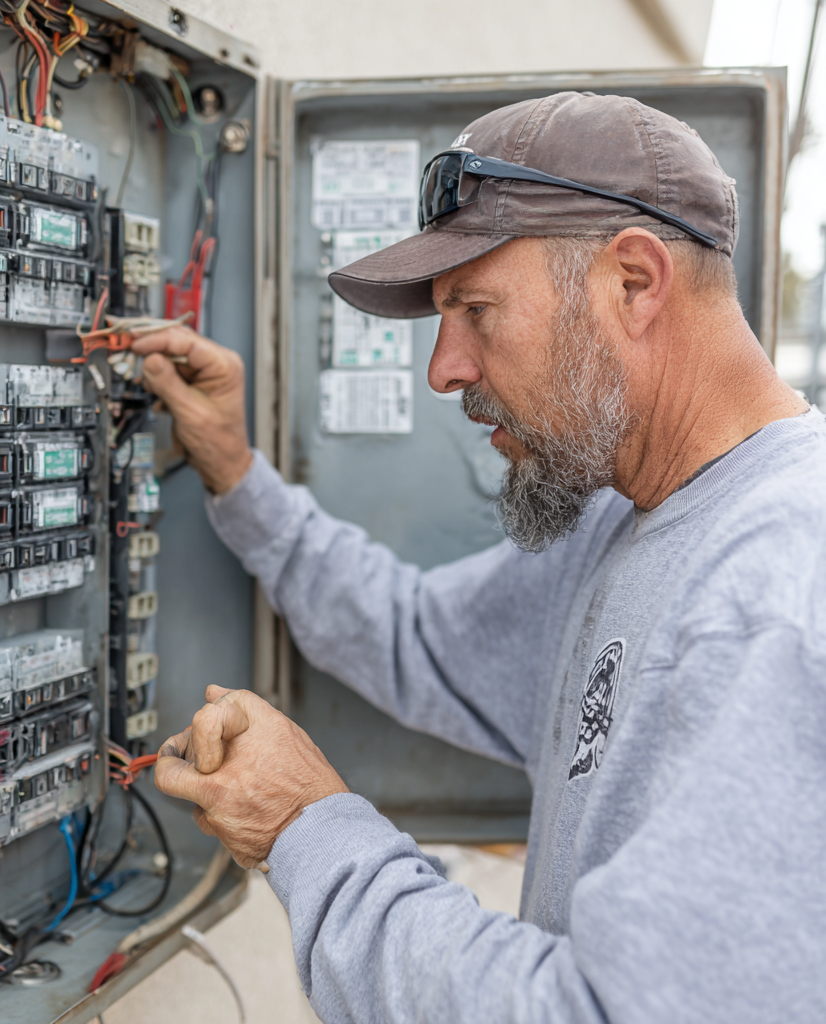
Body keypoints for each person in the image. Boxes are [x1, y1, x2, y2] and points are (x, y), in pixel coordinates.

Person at [132, 92, 826, 1023]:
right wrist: (233, 470)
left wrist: (308, 831)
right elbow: (412, 638)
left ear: (633, 281)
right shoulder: (623, 522)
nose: (443, 369)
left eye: (476, 308)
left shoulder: (781, 589)